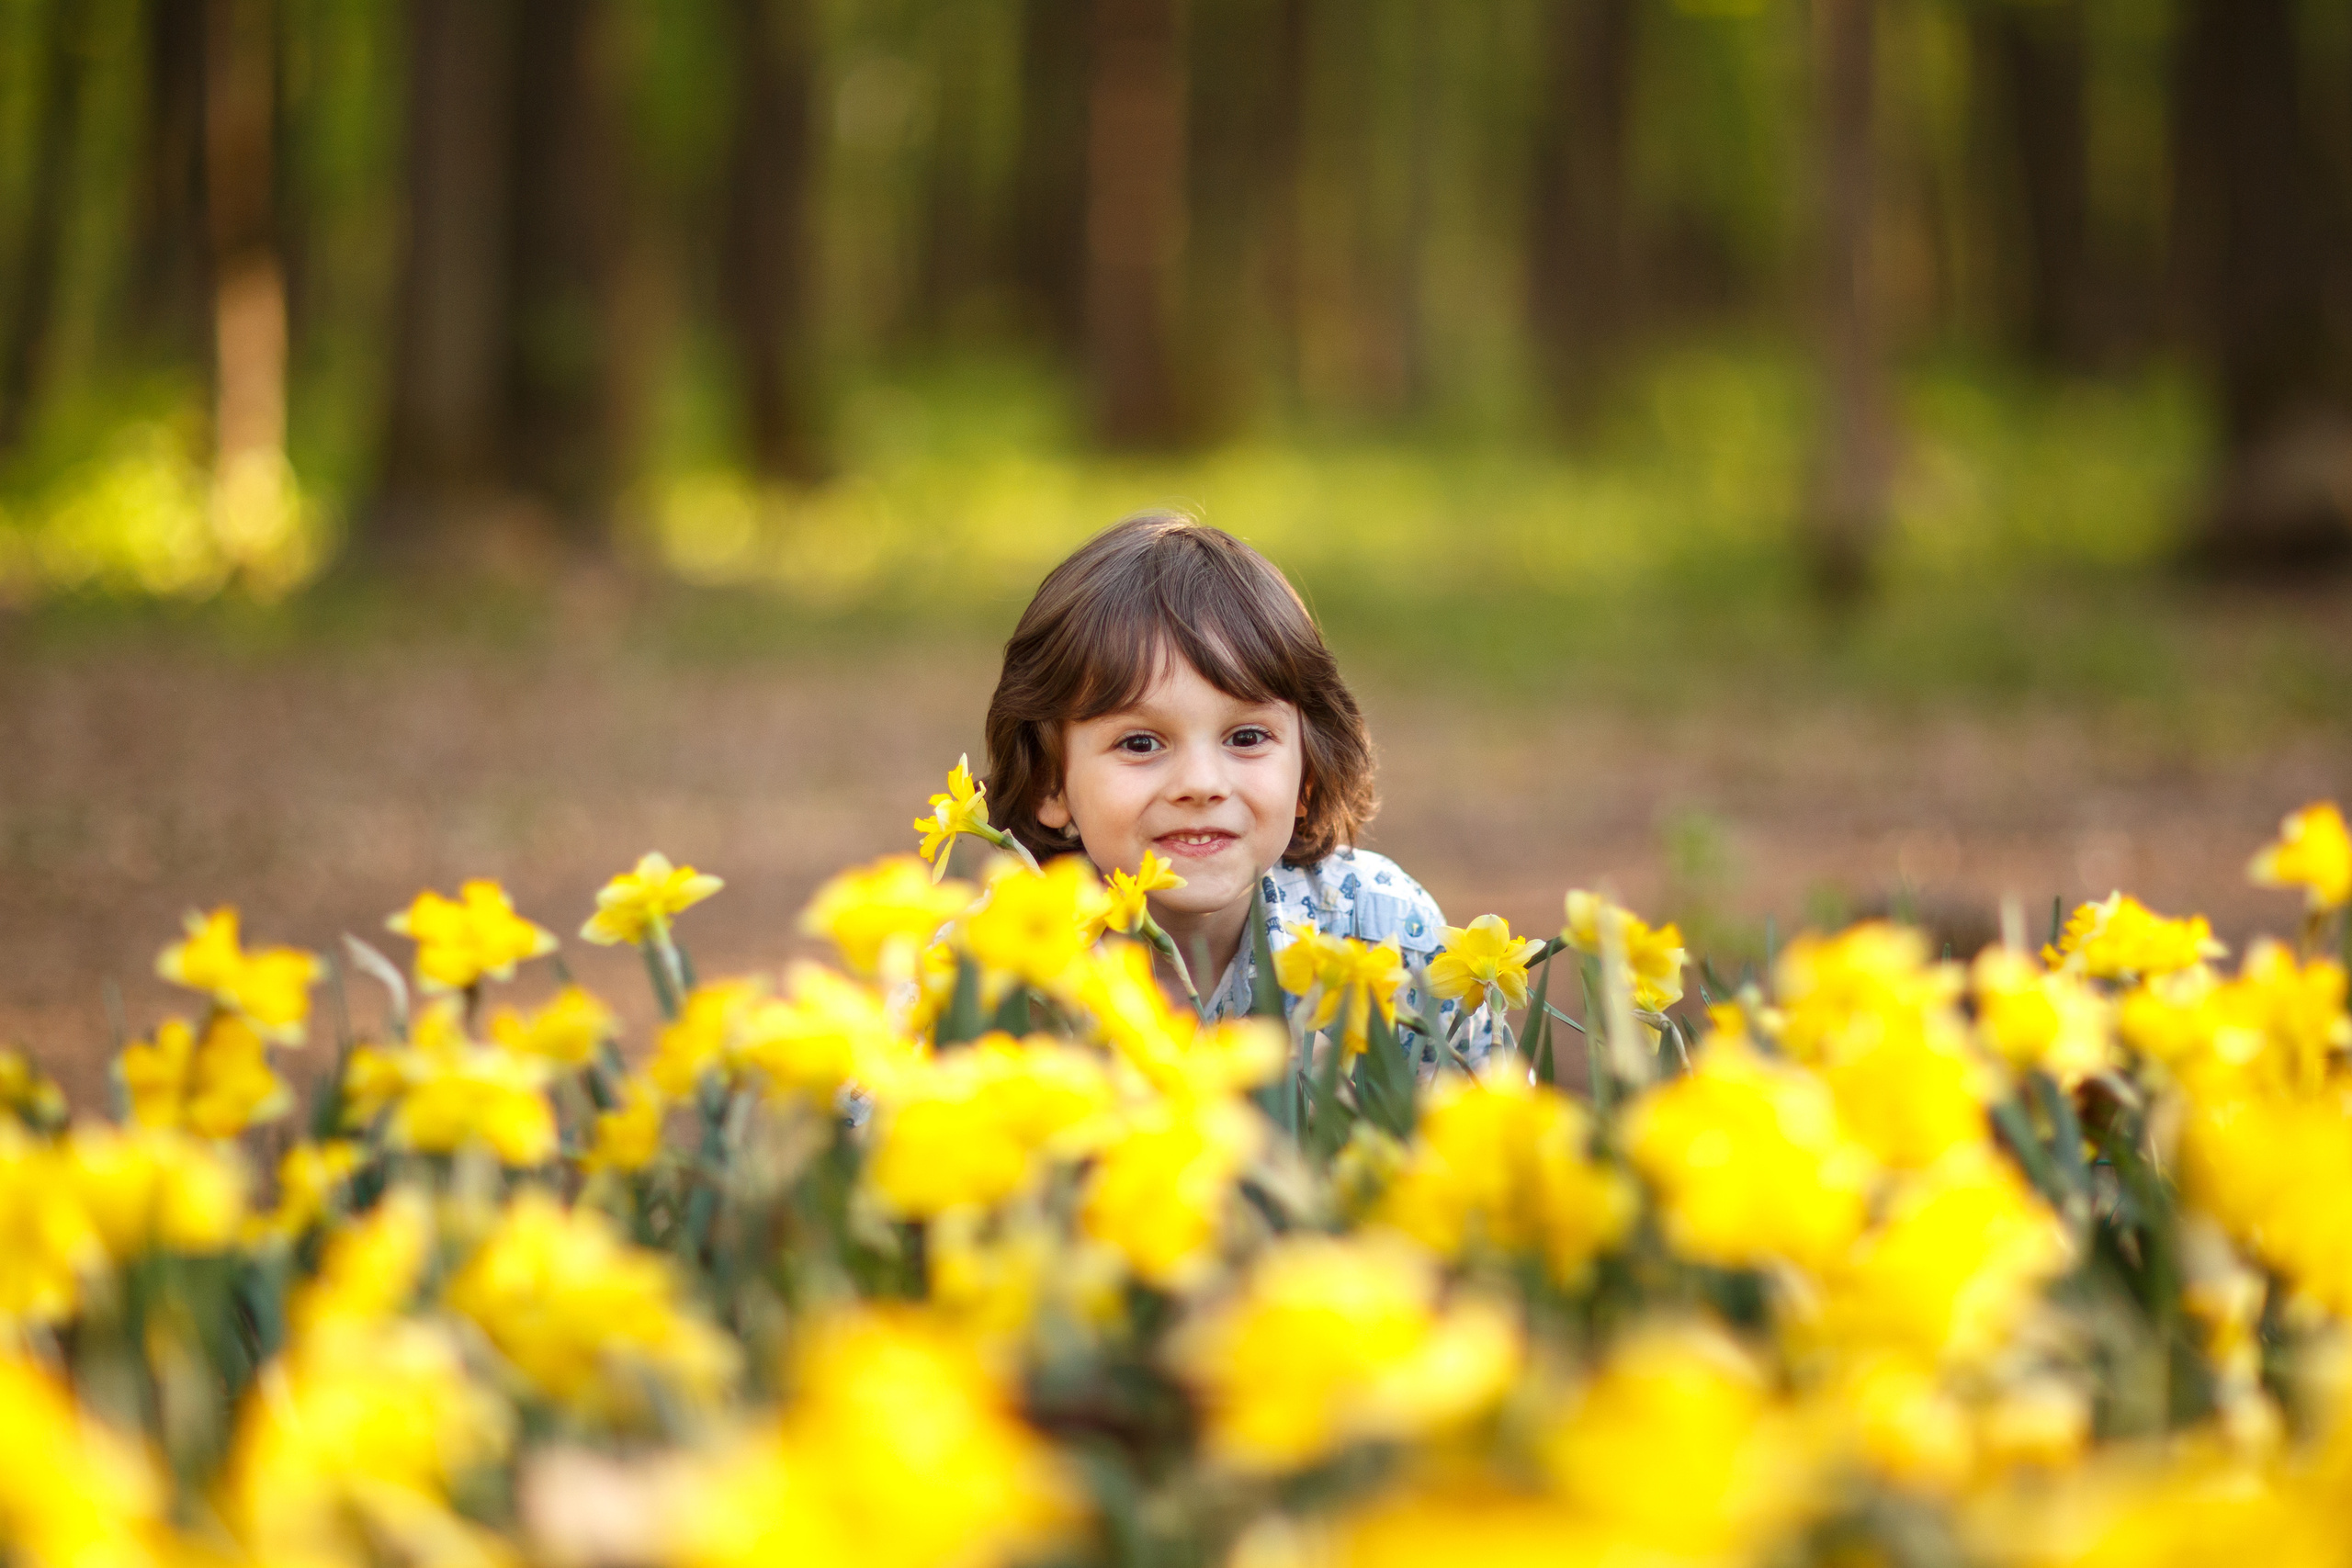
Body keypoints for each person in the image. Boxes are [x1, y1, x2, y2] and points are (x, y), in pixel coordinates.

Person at [982, 511, 1479, 1066]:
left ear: (1307, 773)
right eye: (1141, 744)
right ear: (1051, 784)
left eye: (1246, 737)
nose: (1200, 784)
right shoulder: (985, 970)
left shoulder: (1384, 935)